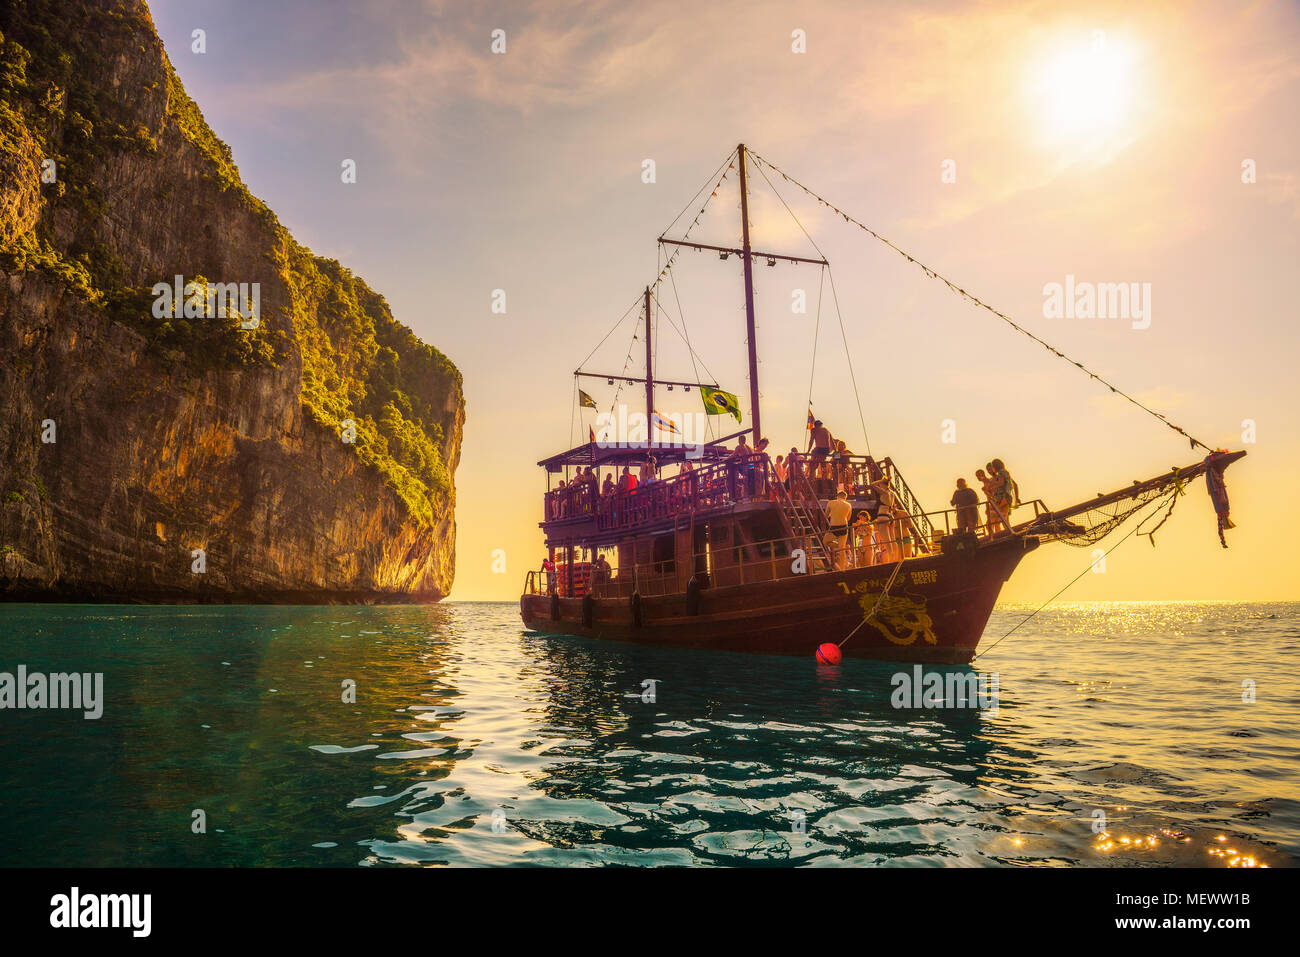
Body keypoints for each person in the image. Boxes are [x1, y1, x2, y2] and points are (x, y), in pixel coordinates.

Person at [825, 490, 853, 571]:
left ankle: (840, 546)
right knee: (842, 549)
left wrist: (831, 514)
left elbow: (826, 515)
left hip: (834, 526)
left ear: (837, 496)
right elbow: (848, 518)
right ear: (845, 498)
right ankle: (842, 569)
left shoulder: (831, 502)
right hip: (844, 526)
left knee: (825, 542)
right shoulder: (848, 505)